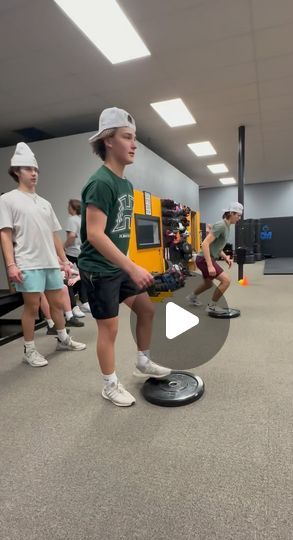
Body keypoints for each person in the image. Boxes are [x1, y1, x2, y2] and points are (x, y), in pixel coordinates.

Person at [78, 107, 171, 407]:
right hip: (98, 271)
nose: (134, 145)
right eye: (127, 137)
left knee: (146, 310)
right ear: (108, 140)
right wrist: (131, 267)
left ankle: (142, 362)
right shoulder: (101, 182)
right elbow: (95, 234)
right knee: (110, 328)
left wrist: (131, 264)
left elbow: (118, 233)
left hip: (116, 267)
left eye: (134, 139)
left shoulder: (126, 185)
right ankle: (109, 385)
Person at [0, 142, 86, 367]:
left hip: (50, 263)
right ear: (17, 171)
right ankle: (29, 351)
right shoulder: (7, 200)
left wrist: (65, 261)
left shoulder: (45, 204)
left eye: (36, 169)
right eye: (29, 169)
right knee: (32, 307)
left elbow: (54, 236)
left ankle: (63, 338)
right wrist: (11, 265)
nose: (34, 173)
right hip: (28, 262)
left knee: (57, 303)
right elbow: (6, 235)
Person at [186, 202, 243, 314]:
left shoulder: (227, 226)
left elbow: (216, 246)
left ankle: (192, 297)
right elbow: (205, 243)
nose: (239, 218)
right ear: (231, 213)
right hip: (204, 259)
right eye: (238, 215)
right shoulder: (221, 225)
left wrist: (225, 257)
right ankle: (212, 306)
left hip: (204, 258)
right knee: (226, 281)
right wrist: (210, 265)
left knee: (208, 284)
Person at [63, 198, 90, 315]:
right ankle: (84, 302)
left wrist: (63, 246)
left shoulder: (72, 219)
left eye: (69, 206)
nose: (67, 208)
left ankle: (70, 306)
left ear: (72, 208)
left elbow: (72, 236)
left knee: (64, 276)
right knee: (84, 277)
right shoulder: (82, 220)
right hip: (82, 252)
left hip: (71, 252)